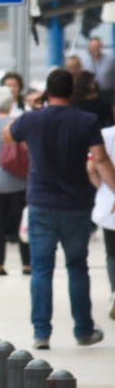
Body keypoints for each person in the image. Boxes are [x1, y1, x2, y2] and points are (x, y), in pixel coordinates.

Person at [5, 68, 115, 349]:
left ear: (47, 92)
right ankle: (83, 330)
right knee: (77, 266)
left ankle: (41, 333)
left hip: (40, 204)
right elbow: (100, 159)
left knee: (41, 268)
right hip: (76, 205)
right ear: (72, 92)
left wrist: (33, 107)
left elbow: (8, 135)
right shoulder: (86, 120)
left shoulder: (31, 120)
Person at [0, 86, 30, 276]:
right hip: (17, 178)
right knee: (22, 221)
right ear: (10, 103)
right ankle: (27, 263)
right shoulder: (17, 123)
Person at [89, 123, 115, 319]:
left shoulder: (105, 135)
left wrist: (101, 188)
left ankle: (114, 291)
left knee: (112, 253)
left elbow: (91, 167)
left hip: (109, 205)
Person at [78, 36, 115, 104]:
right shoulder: (84, 61)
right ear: (89, 47)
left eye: (98, 46)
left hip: (107, 93)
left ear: (101, 47)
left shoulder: (111, 60)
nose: (96, 49)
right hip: (89, 94)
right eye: (93, 47)